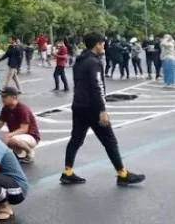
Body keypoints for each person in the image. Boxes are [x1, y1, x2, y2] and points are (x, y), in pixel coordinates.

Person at [61, 32, 145, 186]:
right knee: (109, 140)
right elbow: (97, 86)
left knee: (76, 139)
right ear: (97, 44)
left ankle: (67, 172)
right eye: (102, 43)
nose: (104, 46)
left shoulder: (80, 61)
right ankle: (122, 173)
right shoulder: (94, 62)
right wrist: (102, 110)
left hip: (78, 105)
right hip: (92, 108)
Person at [0, 86, 40, 163]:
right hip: (17, 136)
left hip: (31, 136)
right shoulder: (6, 109)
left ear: (14, 97)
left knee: (10, 139)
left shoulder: (22, 109)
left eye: (5, 96)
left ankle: (30, 152)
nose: (2, 99)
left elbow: (24, 129)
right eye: (2, 96)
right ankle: (16, 154)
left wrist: (9, 135)